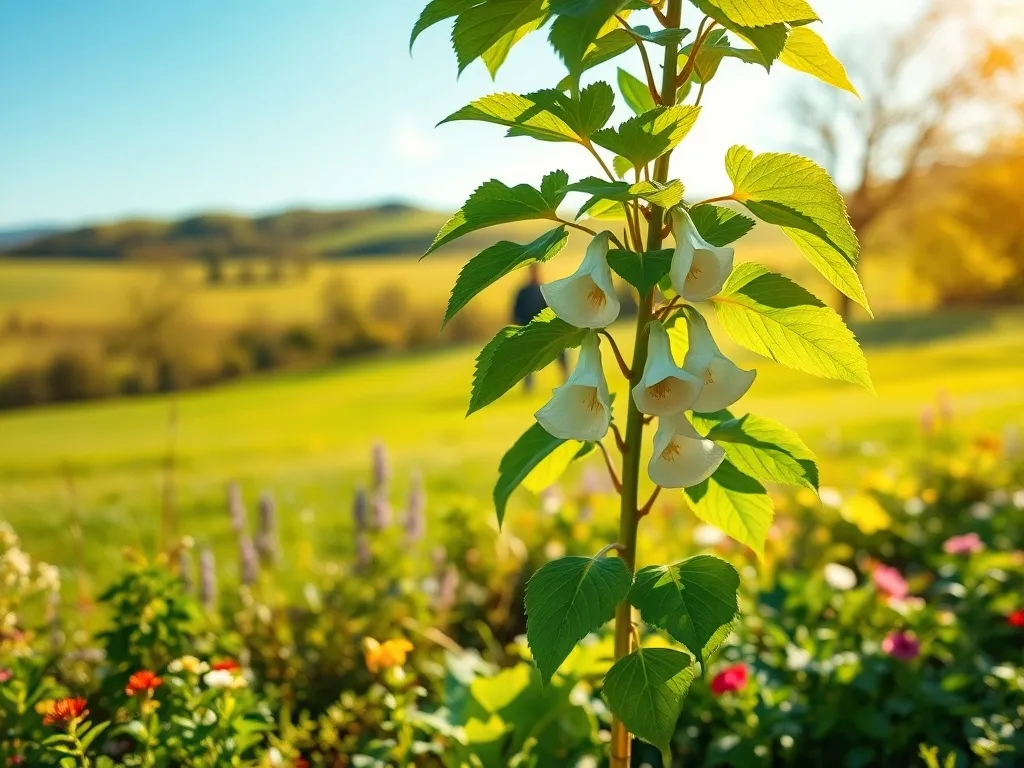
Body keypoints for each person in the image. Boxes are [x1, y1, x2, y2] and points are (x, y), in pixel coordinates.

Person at [513, 264, 568, 392]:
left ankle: (566, 377)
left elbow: (551, 310)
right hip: (528, 330)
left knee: (559, 349)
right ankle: (528, 386)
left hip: (544, 329)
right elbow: (516, 312)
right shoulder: (523, 292)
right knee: (528, 359)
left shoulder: (544, 290)